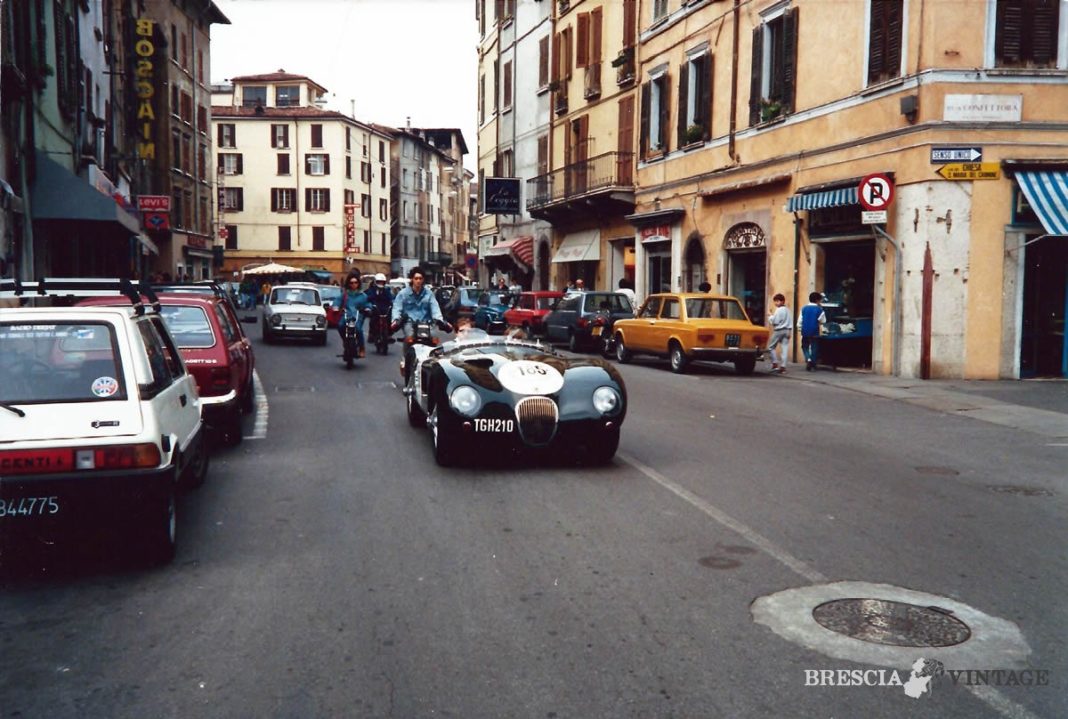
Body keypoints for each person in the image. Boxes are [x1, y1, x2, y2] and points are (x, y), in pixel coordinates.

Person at [390, 267, 452, 383]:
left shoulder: (429, 294)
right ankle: (405, 360)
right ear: (412, 280)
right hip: (410, 322)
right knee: (409, 336)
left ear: (423, 280)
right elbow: (397, 308)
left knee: (434, 338)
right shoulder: (403, 294)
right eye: (416, 278)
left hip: (427, 323)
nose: (418, 281)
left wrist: (440, 320)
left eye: (420, 278)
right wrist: (396, 320)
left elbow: (435, 308)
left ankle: (433, 363)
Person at [334, 273, 371, 358]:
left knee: (358, 329)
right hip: (347, 315)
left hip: (358, 315)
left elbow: (368, 303)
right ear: (348, 284)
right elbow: (338, 301)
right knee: (340, 325)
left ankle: (361, 348)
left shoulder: (363, 295)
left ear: (358, 283)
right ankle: (345, 340)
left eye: (355, 282)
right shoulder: (345, 294)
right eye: (351, 283)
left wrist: (368, 308)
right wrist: (335, 307)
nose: (354, 284)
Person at [797, 291, 827, 371]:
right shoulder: (819, 310)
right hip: (814, 331)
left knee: (805, 346)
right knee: (814, 347)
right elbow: (823, 321)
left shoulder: (804, 308)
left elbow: (800, 321)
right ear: (817, 300)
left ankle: (808, 359)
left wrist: (799, 328)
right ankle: (813, 363)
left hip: (805, 330)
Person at [364, 273, 394, 344]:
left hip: (385, 308)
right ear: (375, 282)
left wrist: (392, 302)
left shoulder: (387, 290)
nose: (380, 283)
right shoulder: (371, 290)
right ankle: (371, 334)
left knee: (390, 319)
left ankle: (389, 334)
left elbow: (391, 298)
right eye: (379, 282)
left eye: (382, 282)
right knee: (373, 319)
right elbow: (367, 297)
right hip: (376, 308)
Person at [766, 293, 792, 373]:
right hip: (788, 330)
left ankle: (775, 363)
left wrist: (770, 315)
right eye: (776, 301)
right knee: (784, 348)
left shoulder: (779, 310)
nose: (776, 303)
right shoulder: (788, 310)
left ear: (783, 301)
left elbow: (775, 322)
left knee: (771, 347)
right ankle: (783, 367)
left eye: (778, 301)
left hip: (779, 330)